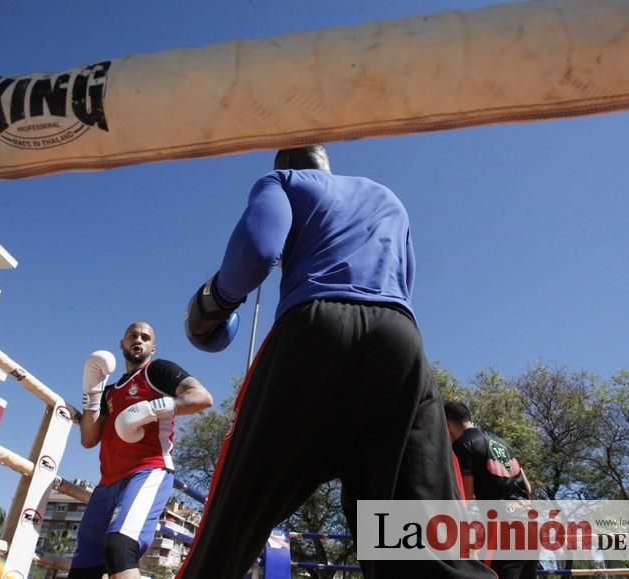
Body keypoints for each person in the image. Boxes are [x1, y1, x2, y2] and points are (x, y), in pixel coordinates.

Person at [178, 145, 494, 579]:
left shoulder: (284, 182)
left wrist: (212, 304)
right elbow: (405, 281)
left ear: (284, 163)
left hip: (314, 329)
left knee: (236, 511)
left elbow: (257, 246)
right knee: (417, 536)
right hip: (399, 340)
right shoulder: (387, 197)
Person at [69, 321, 213, 579]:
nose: (138, 339)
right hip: (107, 484)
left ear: (152, 347)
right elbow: (89, 439)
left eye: (145, 337)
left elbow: (201, 397)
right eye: (133, 336)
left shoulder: (157, 371)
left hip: (147, 471)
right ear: (122, 344)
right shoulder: (109, 392)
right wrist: (91, 393)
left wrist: (148, 409)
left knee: (119, 547)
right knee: (84, 567)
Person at [444, 400, 537, 579]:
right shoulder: (503, 444)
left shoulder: (463, 445)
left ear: (447, 425)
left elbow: (465, 497)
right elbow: (528, 487)